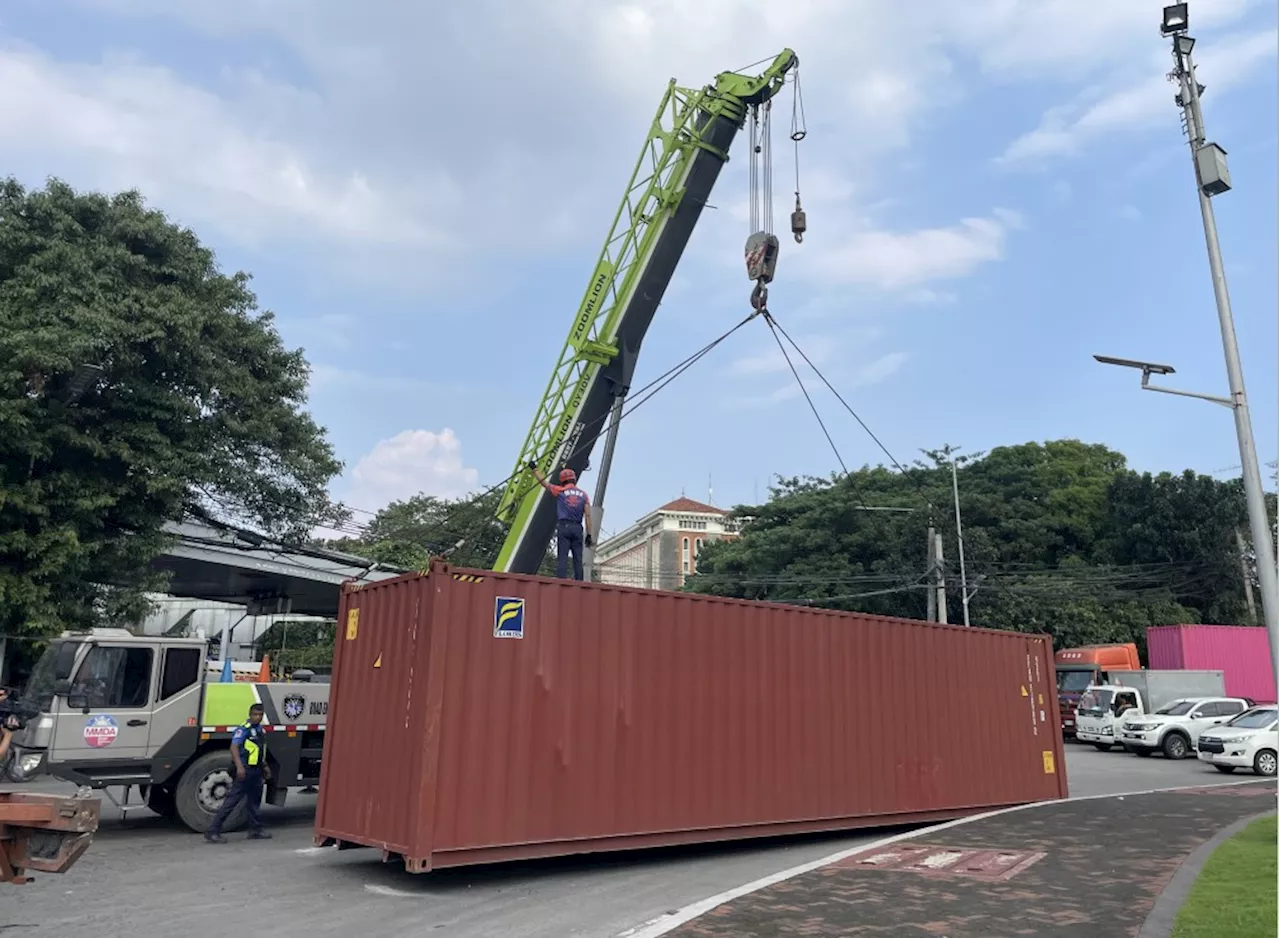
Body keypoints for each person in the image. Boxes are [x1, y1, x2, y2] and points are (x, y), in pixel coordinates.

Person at [204, 702, 272, 844]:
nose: (257, 717)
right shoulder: (243, 729)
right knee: (231, 802)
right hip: (245, 770)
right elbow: (234, 747)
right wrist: (240, 767)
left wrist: (265, 767)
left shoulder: (260, 730)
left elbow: (259, 751)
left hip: (256, 770)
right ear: (249, 714)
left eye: (260, 715)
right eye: (255, 714)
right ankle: (213, 831)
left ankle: (255, 830)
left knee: (254, 803)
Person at [528, 463, 593, 580]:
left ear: (562, 480)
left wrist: (535, 469)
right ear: (574, 478)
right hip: (577, 528)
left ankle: (561, 582)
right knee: (578, 558)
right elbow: (588, 516)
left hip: (564, 526)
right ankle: (580, 583)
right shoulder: (584, 495)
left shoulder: (560, 491)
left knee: (562, 557)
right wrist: (589, 534)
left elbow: (544, 483)